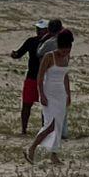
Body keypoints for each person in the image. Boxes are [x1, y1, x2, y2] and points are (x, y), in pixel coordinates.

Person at [27, 29, 74, 164]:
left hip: (61, 93)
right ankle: (32, 148)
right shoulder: (49, 56)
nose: (65, 53)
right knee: (51, 124)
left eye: (67, 51)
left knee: (58, 124)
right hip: (49, 91)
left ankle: (54, 154)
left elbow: (65, 76)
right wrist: (41, 94)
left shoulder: (67, 57)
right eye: (63, 50)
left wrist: (68, 94)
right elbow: (40, 77)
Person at [11, 19, 49, 135]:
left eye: (41, 29)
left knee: (45, 106)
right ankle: (24, 129)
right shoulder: (32, 41)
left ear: (47, 30)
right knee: (27, 104)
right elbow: (19, 53)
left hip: (45, 77)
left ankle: (45, 128)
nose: (38, 31)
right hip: (33, 76)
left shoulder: (50, 43)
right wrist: (14, 54)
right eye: (38, 29)